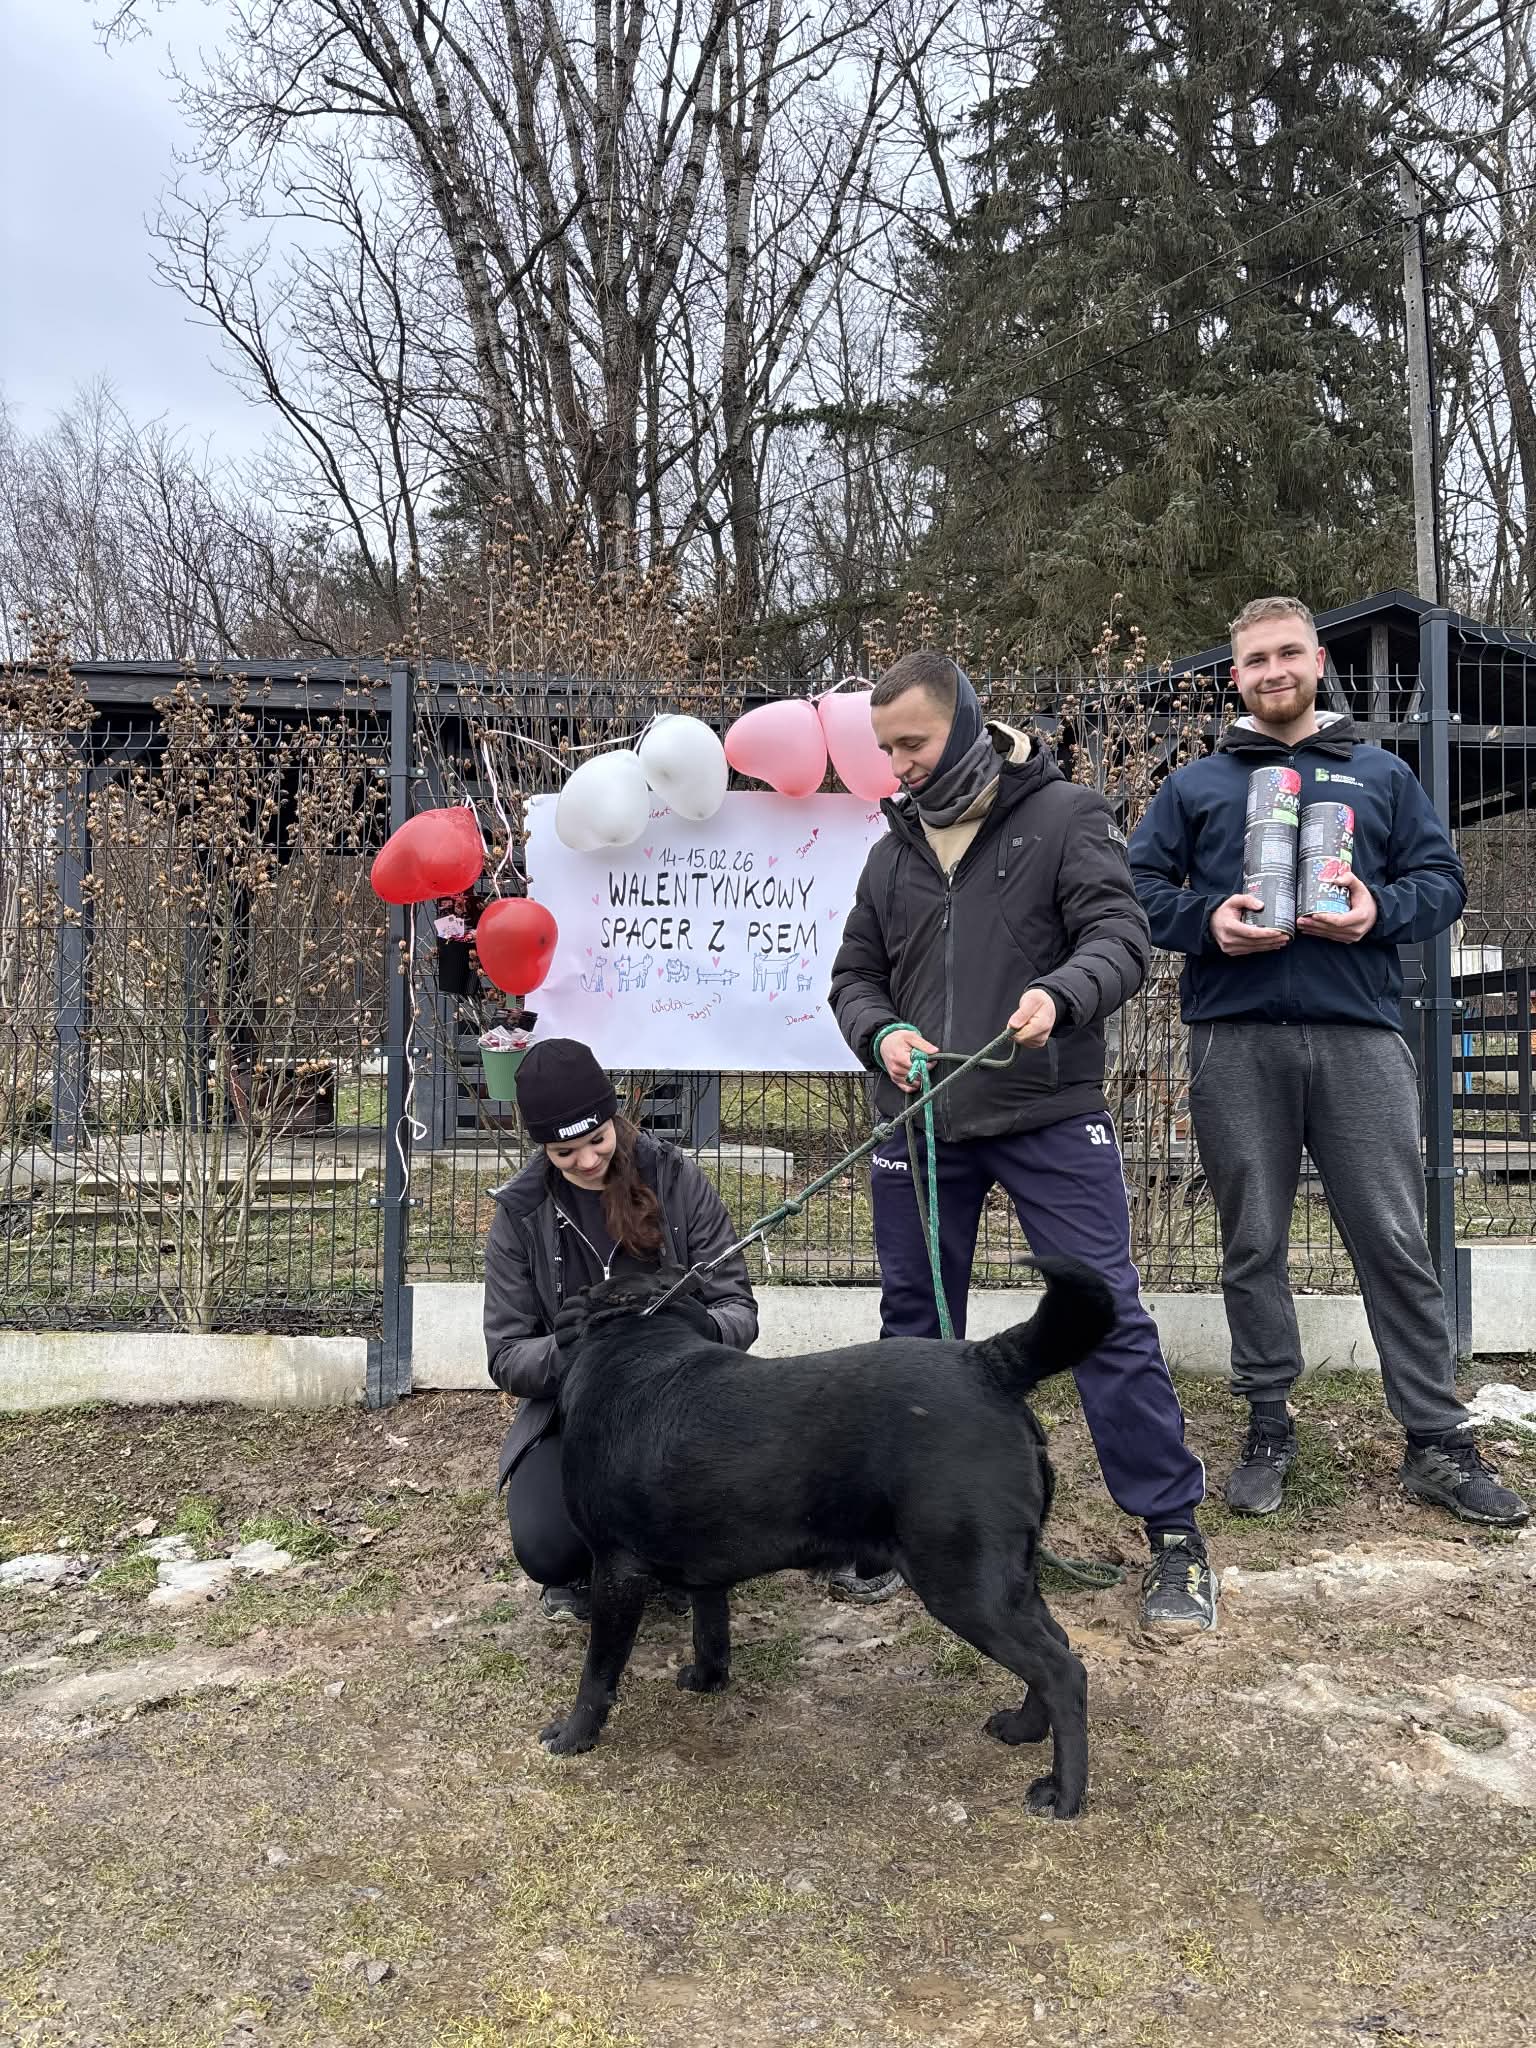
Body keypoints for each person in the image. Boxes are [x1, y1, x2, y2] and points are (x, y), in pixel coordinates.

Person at [828, 650, 1217, 1630]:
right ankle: (904, 1526)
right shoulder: (890, 852)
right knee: (916, 1330)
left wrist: (1062, 993)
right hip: (923, 1122)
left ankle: (1173, 1532)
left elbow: (1120, 938)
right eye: (885, 748)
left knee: (1103, 1315)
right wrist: (881, 1033)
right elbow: (854, 977)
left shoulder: (1066, 816)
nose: (898, 766)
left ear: (964, 722)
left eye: (912, 743)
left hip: (1049, 1113)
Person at [1128, 594, 1528, 1528]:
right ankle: (1269, 1424)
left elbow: (1442, 882)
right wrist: (1207, 922)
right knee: (1253, 1241)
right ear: (1235, 676)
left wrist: (1378, 911)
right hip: (1234, 1038)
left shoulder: (1381, 774)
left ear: (1317, 663)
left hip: (1361, 1036)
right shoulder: (1197, 786)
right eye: (1254, 659)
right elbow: (1136, 889)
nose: (1273, 671)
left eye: (1288, 654)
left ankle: (1436, 1439)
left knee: (1394, 1239)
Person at [484, 1037, 760, 1620]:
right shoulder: (520, 1212)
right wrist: (572, 1350)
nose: (587, 1161)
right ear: (542, 1148)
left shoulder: (676, 1179)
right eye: (564, 1152)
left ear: (614, 1116)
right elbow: (506, 1356)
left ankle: (673, 1558)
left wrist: (692, 1327)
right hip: (578, 1408)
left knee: (714, 1527)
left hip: (684, 1399)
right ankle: (588, 1563)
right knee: (547, 1546)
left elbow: (738, 1308)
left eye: (596, 1140)